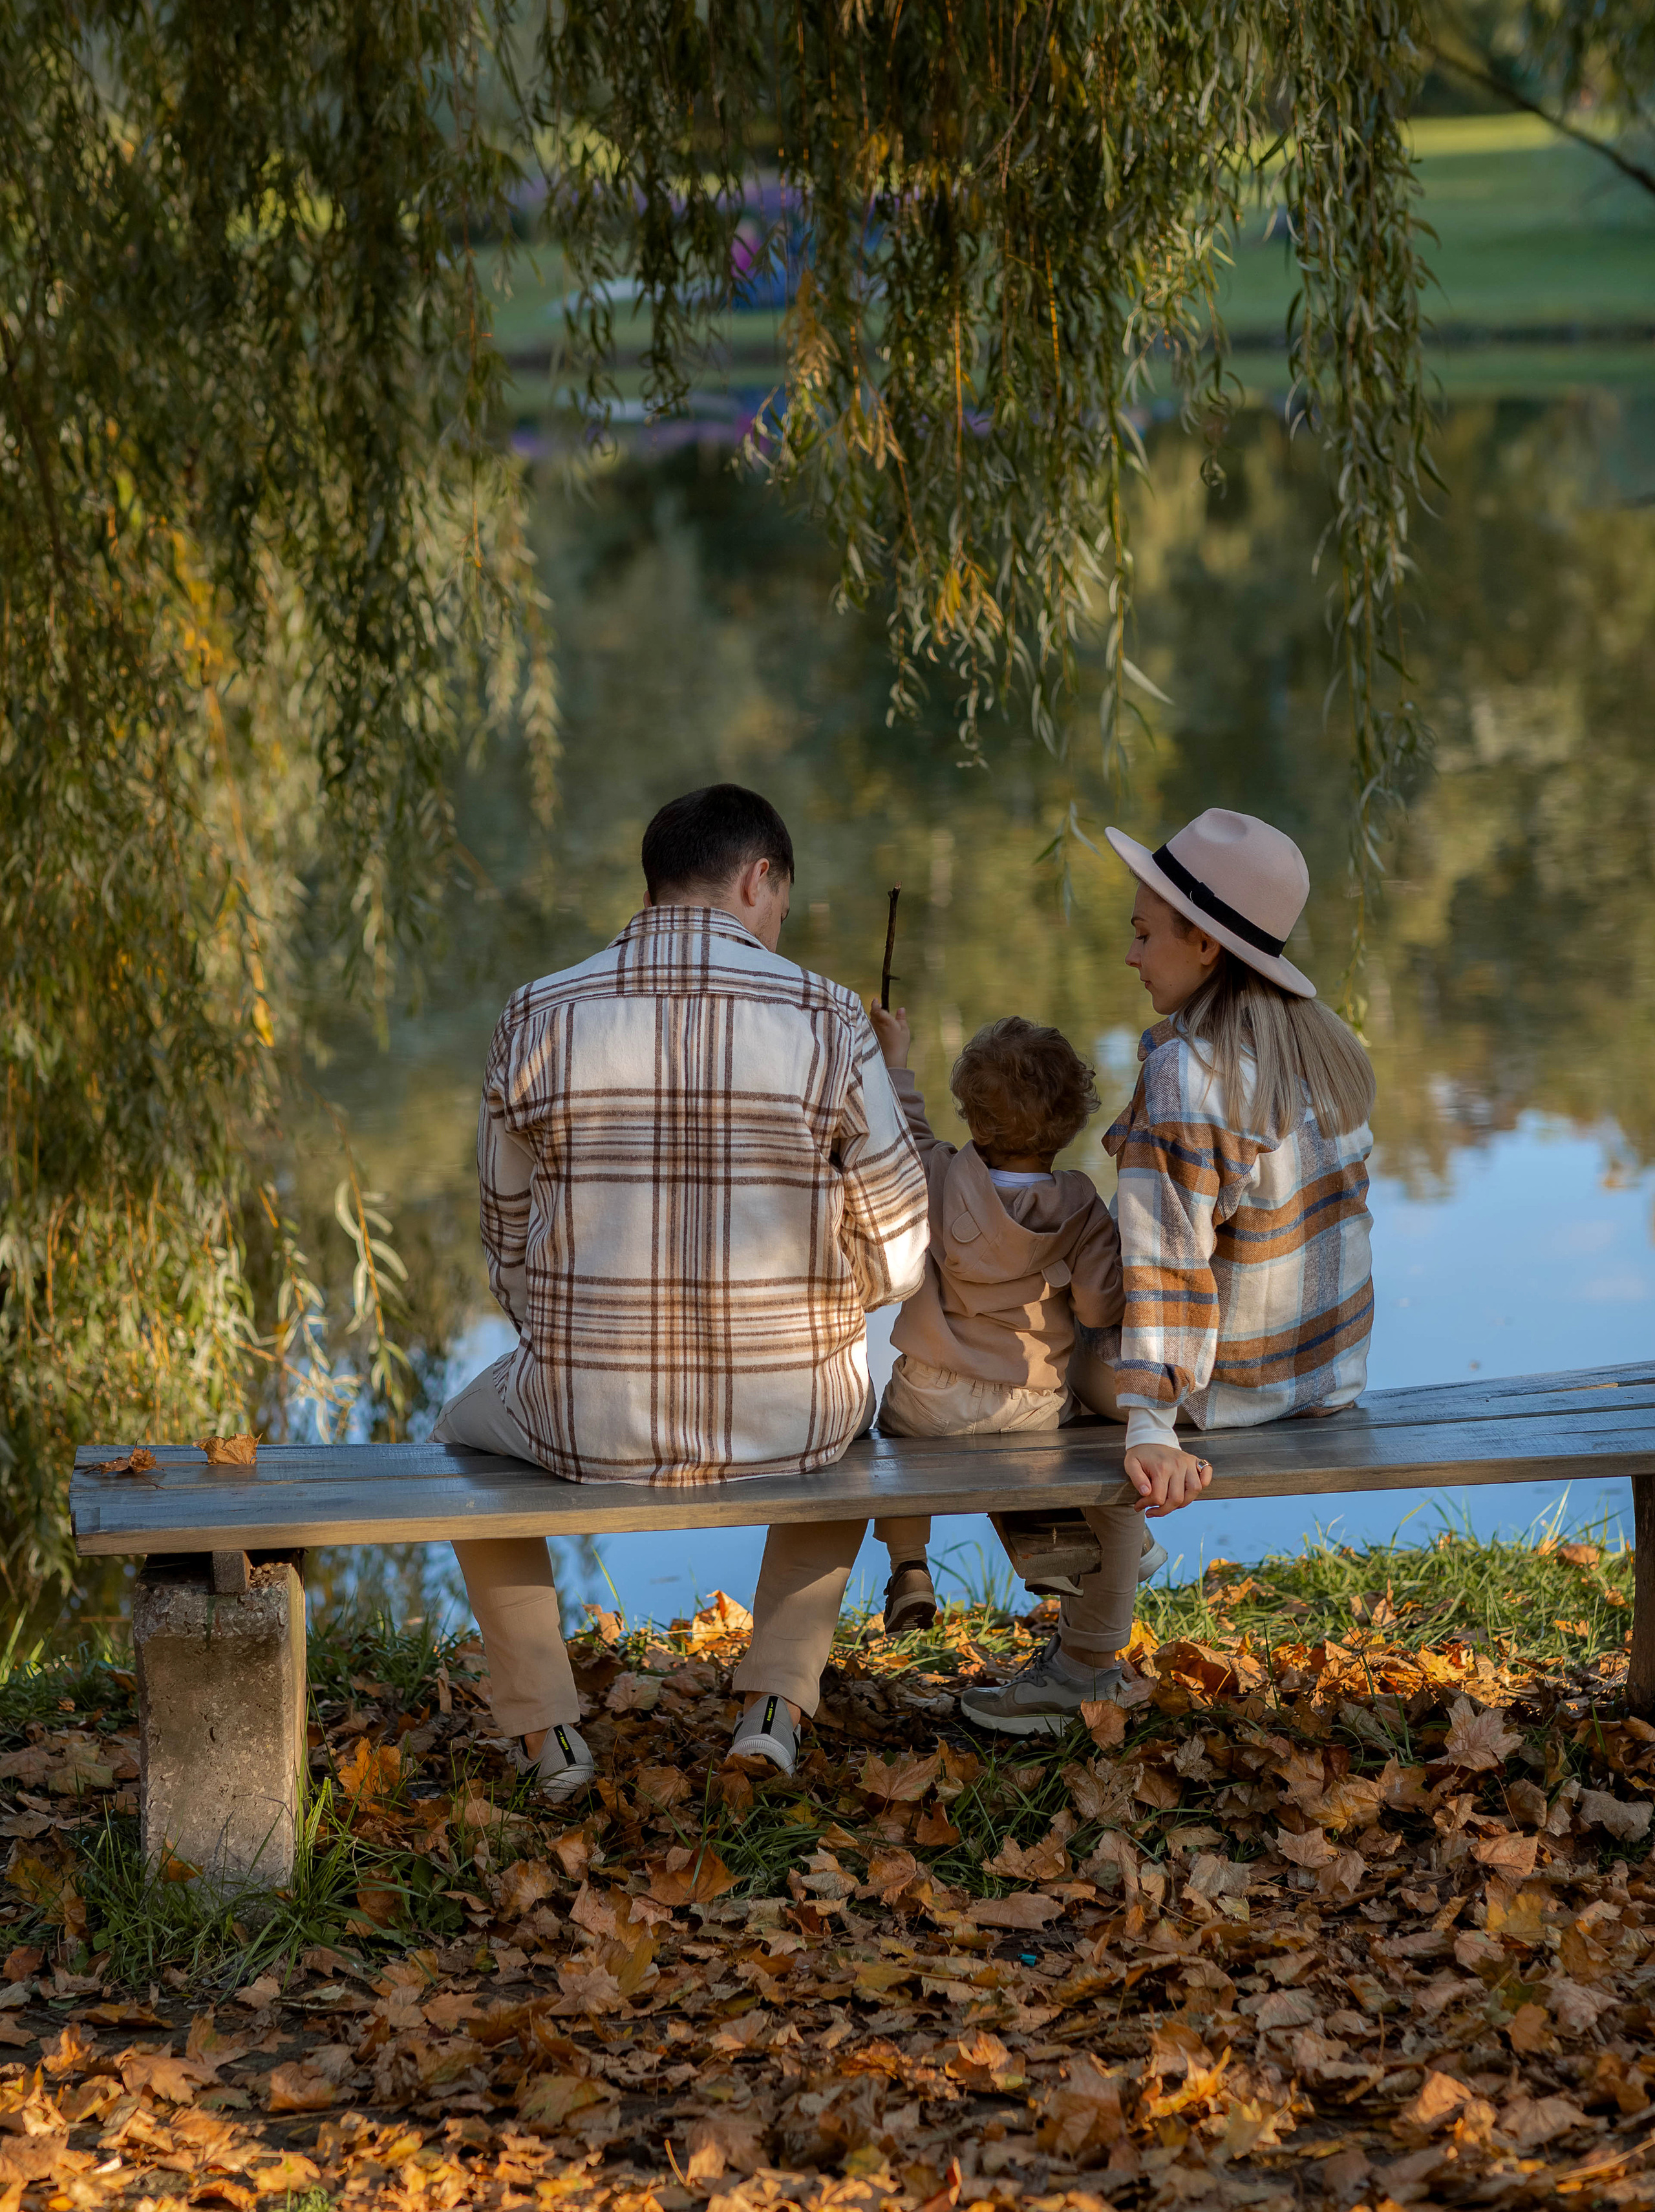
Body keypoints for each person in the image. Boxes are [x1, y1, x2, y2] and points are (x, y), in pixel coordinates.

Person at [431, 784, 930, 1799]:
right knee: (848, 1413)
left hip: (584, 1420)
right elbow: (902, 1256)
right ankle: (774, 1707)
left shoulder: (539, 1010)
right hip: (790, 1419)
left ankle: (547, 1734)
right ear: (759, 880)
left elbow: (506, 1238)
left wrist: (572, 1335)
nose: (779, 927)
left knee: (459, 1433)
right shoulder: (832, 1018)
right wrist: (823, 1306)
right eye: (780, 905)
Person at [961, 807, 1376, 1735]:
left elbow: (1169, 1259)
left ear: (1207, 944)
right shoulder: (1320, 1050)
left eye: (1145, 933)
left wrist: (1150, 1423)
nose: (1130, 954)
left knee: (995, 1380)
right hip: (1323, 1375)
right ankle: (1114, 1567)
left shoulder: (1187, 1076)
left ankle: (1084, 1659)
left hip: (1228, 1387)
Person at [864, 1007, 1153, 1633]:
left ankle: (910, 1564)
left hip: (927, 1399)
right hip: (1030, 1405)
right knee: (1063, 1422)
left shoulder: (939, 1172)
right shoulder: (1078, 1202)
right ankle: (1049, 1537)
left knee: (891, 1443)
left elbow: (902, 1129)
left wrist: (895, 1055)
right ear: (1068, 1122)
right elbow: (1102, 1308)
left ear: (971, 1112)